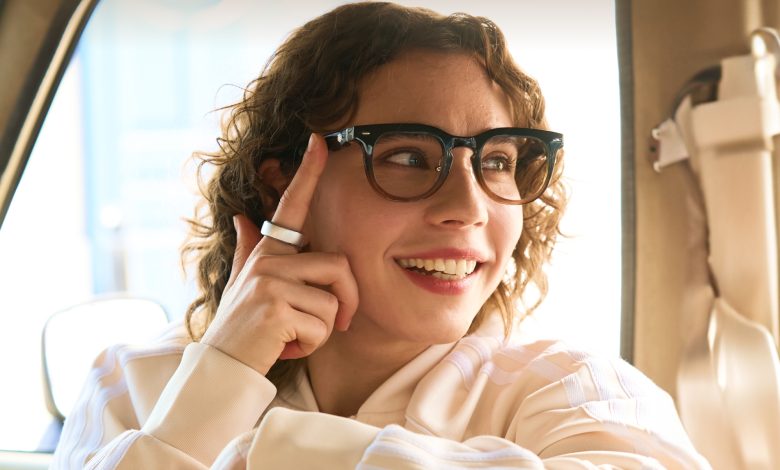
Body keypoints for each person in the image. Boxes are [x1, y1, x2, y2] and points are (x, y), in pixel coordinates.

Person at [53, 2, 710, 468]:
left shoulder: (573, 390)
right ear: (283, 185)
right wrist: (219, 380)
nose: (468, 207)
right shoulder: (134, 384)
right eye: (406, 156)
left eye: (498, 162)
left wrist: (279, 450)